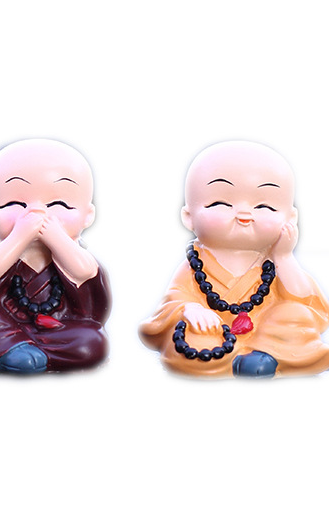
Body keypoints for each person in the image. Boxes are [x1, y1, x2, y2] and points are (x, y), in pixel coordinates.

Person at [140, 140, 329, 377]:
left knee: (296, 315)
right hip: (214, 331)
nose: (244, 215)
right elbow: (175, 298)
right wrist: (191, 308)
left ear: (290, 218)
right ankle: (237, 358)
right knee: (192, 335)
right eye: (220, 203)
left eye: (264, 206)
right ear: (189, 216)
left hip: (269, 333)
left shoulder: (273, 262)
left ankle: (263, 355)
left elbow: (302, 298)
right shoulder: (196, 265)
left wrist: (283, 256)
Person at [0, 139, 111, 374]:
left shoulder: (74, 254)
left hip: (60, 327)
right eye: (15, 203)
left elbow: (84, 271)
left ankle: (28, 355)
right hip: (4, 325)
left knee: (90, 341)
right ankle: (17, 351)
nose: (38, 212)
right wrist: (20, 236)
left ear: (88, 216)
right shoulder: (0, 254)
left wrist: (56, 237)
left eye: (58, 204)